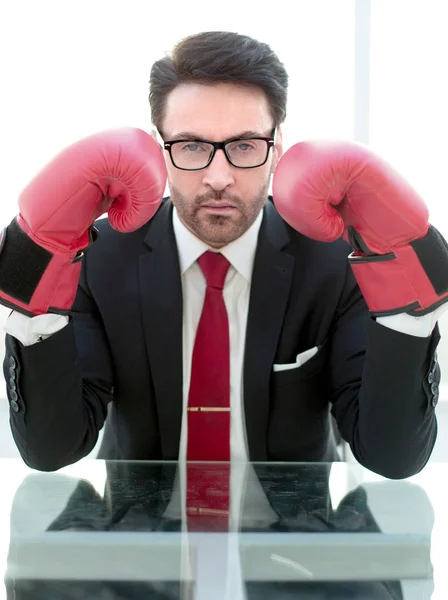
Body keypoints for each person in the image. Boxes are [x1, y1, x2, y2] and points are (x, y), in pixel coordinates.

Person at [0, 31, 445, 480]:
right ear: (159, 152)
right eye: (192, 145)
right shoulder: (98, 257)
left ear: (278, 149)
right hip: (141, 536)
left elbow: (393, 457)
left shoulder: (336, 263)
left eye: (245, 146)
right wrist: (33, 272)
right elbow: (51, 449)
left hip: (294, 539)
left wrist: (408, 299)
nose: (218, 176)